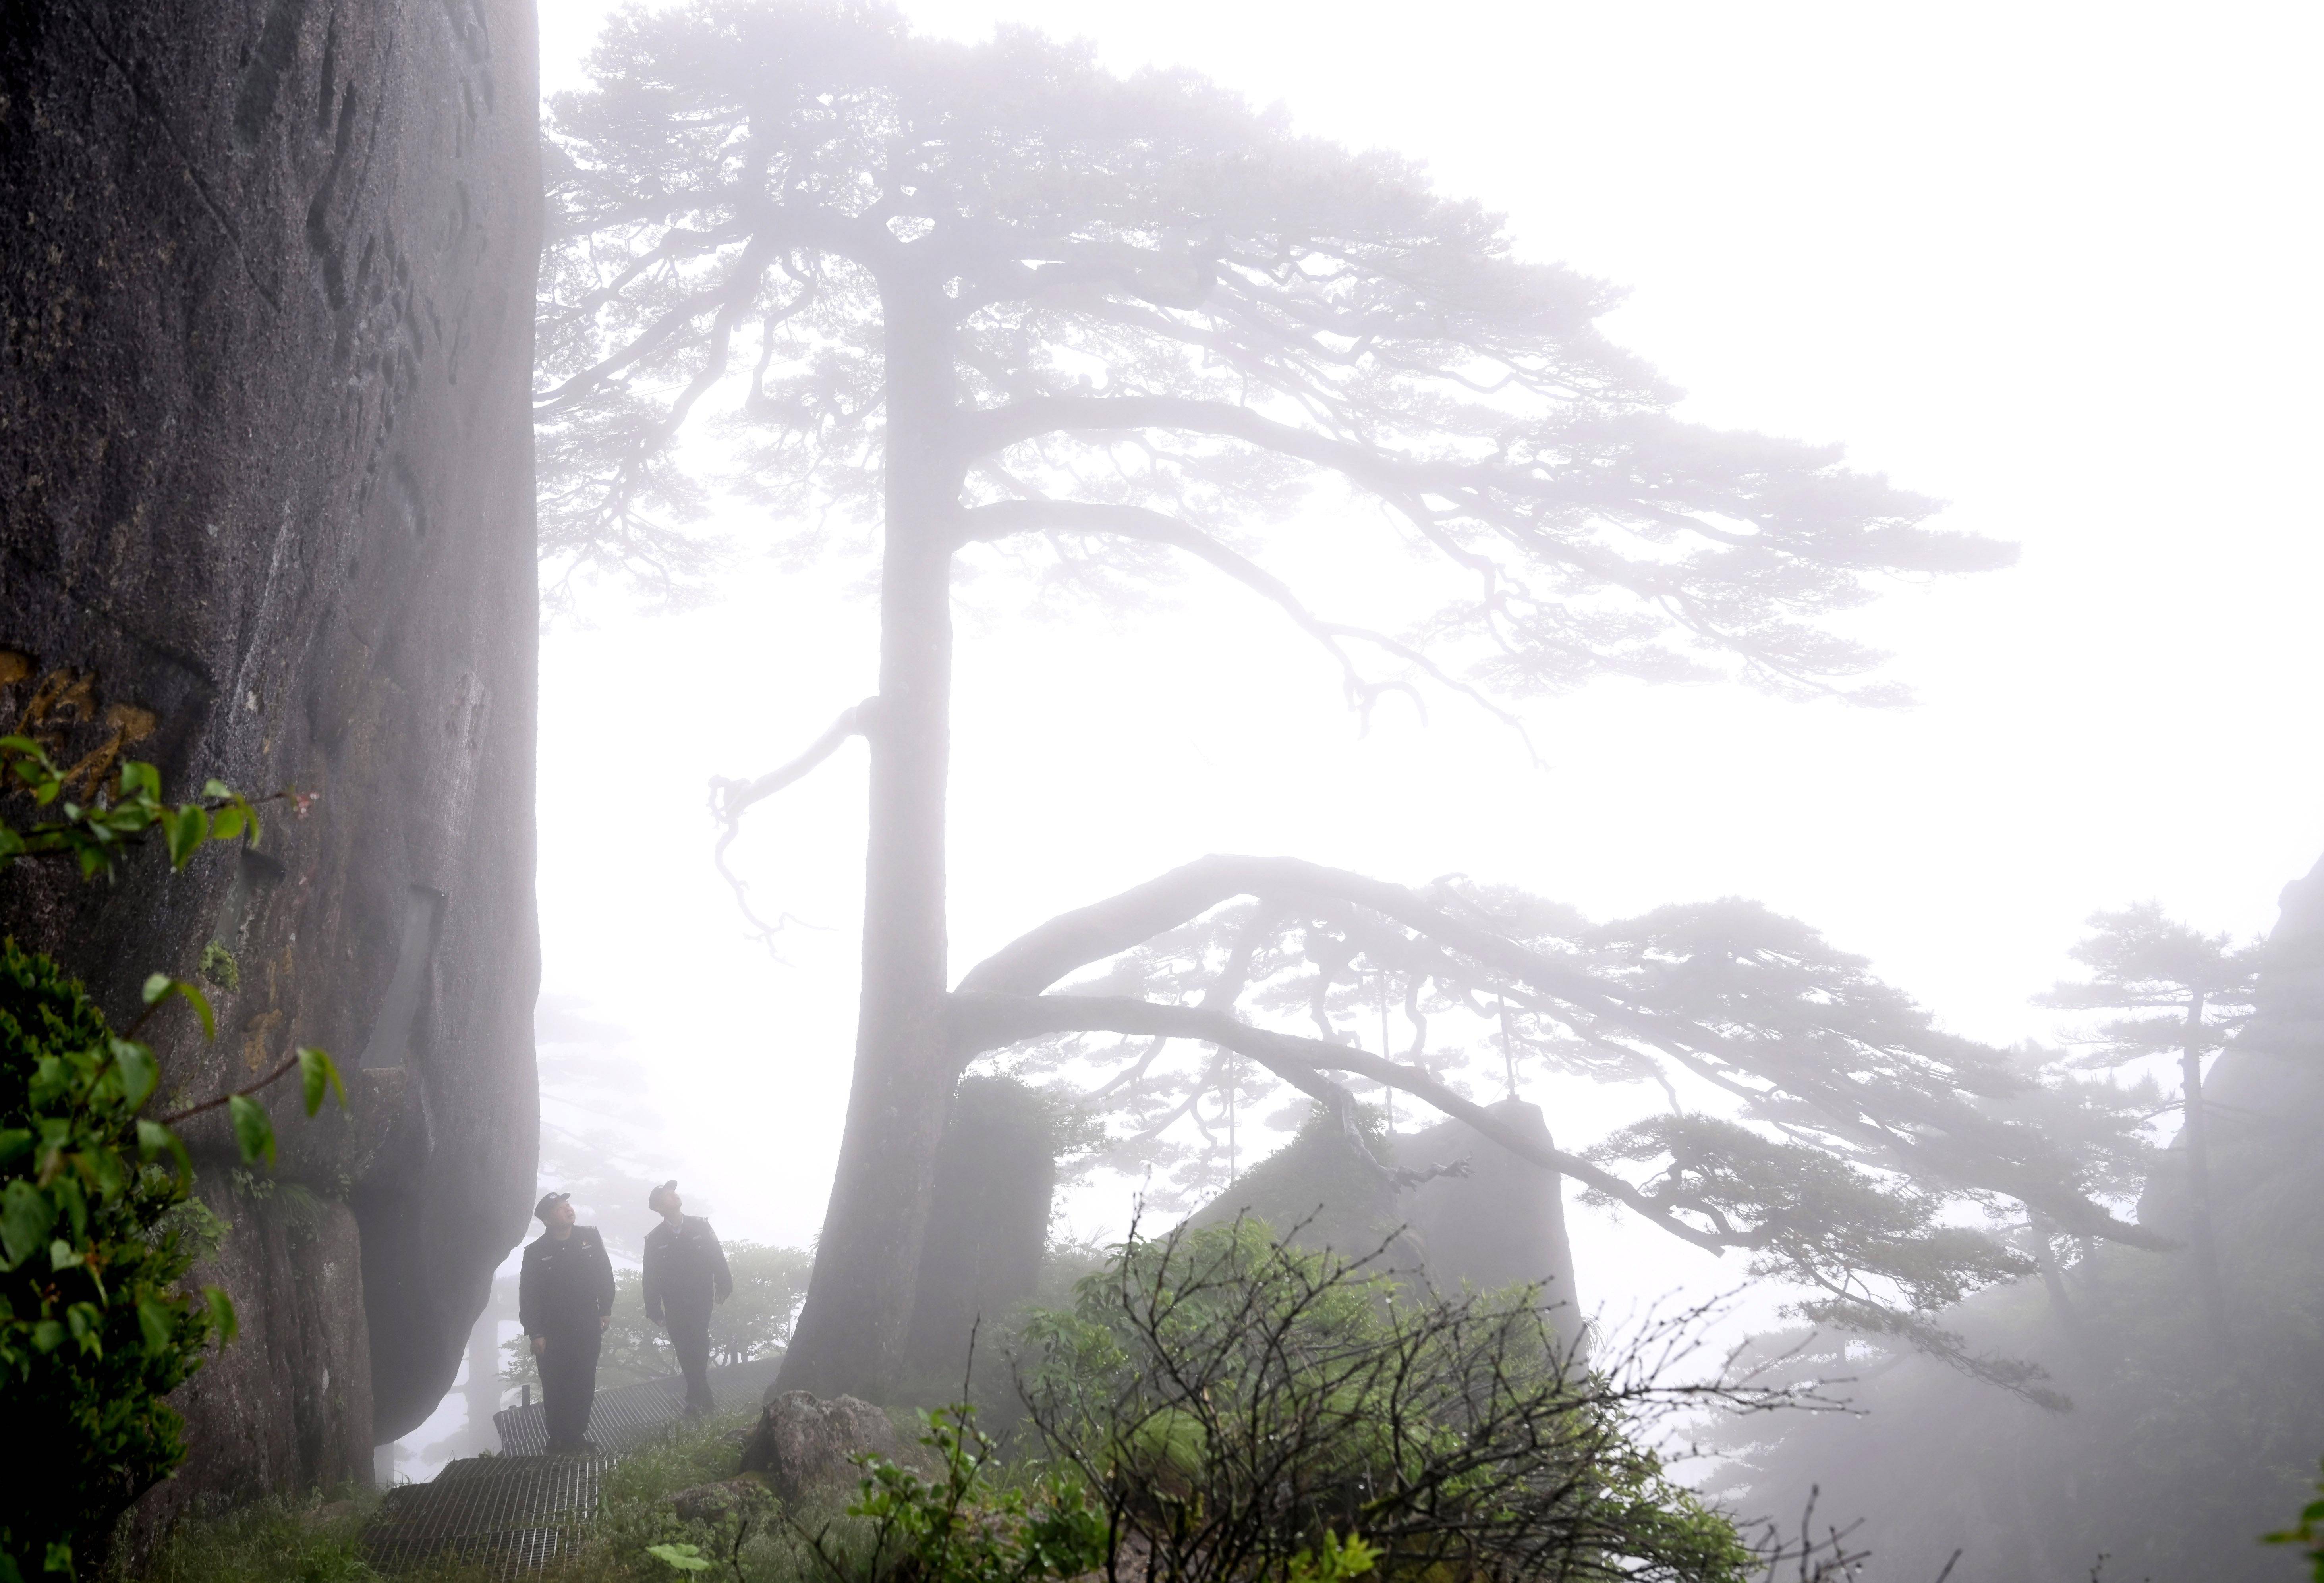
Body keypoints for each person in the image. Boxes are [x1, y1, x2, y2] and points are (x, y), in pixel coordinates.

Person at [518, 1190, 615, 1455]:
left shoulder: (589, 1237)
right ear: (548, 1220)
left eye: (568, 1205)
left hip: (586, 1322)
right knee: (555, 1383)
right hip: (552, 1331)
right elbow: (529, 1295)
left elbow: (604, 1272)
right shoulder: (536, 1252)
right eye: (561, 1208)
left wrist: (605, 1307)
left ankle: (577, 1437)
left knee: (583, 1381)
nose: (568, 1209)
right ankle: (558, 1439)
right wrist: (535, 1332)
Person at [641, 1180, 732, 1417]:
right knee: (683, 1346)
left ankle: (696, 1397)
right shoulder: (654, 1239)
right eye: (667, 1195)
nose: (674, 1195)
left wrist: (725, 1283)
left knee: (700, 1341)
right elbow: (649, 1275)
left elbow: (716, 1254)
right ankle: (700, 1398)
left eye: (673, 1191)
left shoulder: (700, 1226)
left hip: (701, 1295)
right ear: (660, 1209)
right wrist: (653, 1308)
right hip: (674, 1301)